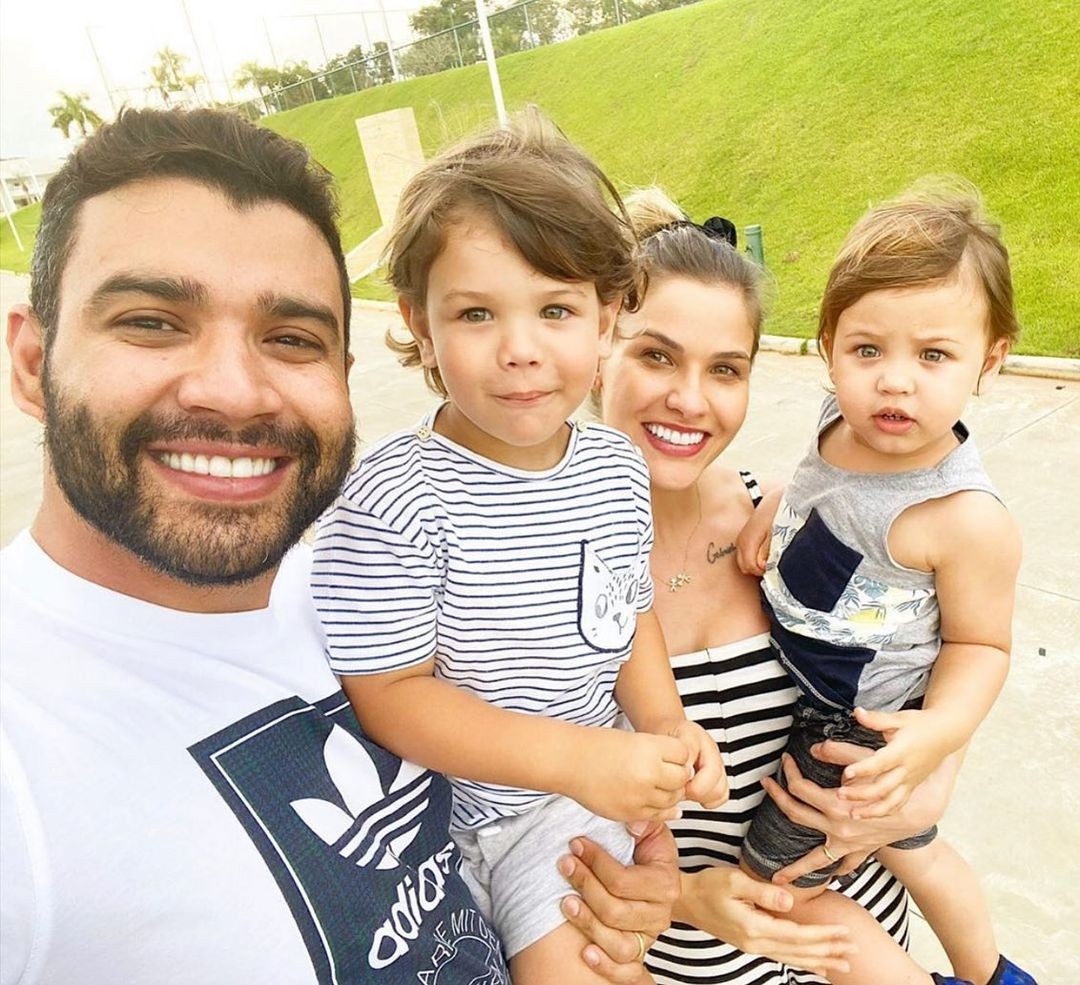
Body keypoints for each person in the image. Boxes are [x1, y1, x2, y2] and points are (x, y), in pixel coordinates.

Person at [0, 107, 677, 985]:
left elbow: (616, 609)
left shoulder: (330, 572)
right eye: (152, 321)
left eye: (291, 338)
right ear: (32, 360)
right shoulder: (26, 758)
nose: (234, 391)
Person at [310, 113, 726, 984]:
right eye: (476, 313)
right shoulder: (395, 498)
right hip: (434, 825)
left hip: (563, 815)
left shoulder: (615, 467)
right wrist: (578, 758)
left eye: (556, 309)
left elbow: (626, 617)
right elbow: (390, 694)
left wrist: (663, 723)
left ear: (607, 318)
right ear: (420, 325)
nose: (521, 350)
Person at [595, 187, 965, 983]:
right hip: (702, 964)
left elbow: (934, 655)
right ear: (597, 348)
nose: (690, 399)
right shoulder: (540, 577)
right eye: (655, 355)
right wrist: (691, 898)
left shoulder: (793, 520)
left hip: (868, 938)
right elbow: (522, 830)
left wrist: (929, 788)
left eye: (725, 369)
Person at [736, 186, 1035, 985]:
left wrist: (935, 733)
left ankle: (972, 974)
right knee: (908, 851)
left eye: (933, 355)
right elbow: (822, 483)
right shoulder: (840, 419)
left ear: (990, 359)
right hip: (814, 670)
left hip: (864, 722)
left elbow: (981, 644)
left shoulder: (962, 517)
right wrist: (776, 505)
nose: (895, 382)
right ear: (830, 347)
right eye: (868, 350)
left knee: (780, 878)